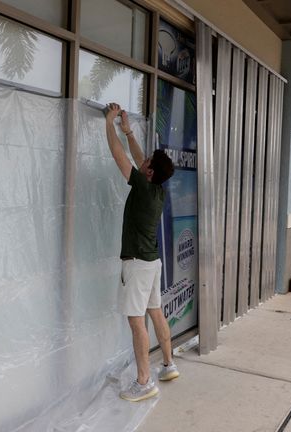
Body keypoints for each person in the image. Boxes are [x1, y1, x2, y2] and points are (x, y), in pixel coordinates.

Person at [104, 102, 179, 402]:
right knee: (155, 313)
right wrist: (129, 131)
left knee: (137, 323)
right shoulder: (157, 187)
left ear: (148, 172)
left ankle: (144, 382)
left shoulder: (144, 187)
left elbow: (120, 157)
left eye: (146, 161)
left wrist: (109, 124)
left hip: (136, 265)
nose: (143, 159)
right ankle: (169, 365)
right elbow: (137, 157)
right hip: (152, 263)